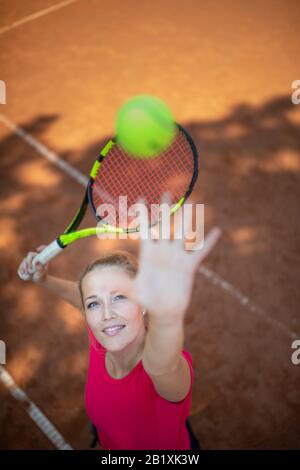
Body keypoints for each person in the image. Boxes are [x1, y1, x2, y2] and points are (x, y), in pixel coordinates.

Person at [18, 205, 220, 450]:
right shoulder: (101, 334)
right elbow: (81, 299)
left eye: (119, 297)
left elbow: (161, 364)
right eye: (94, 304)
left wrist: (167, 317)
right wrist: (44, 279)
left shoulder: (165, 373)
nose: (106, 314)